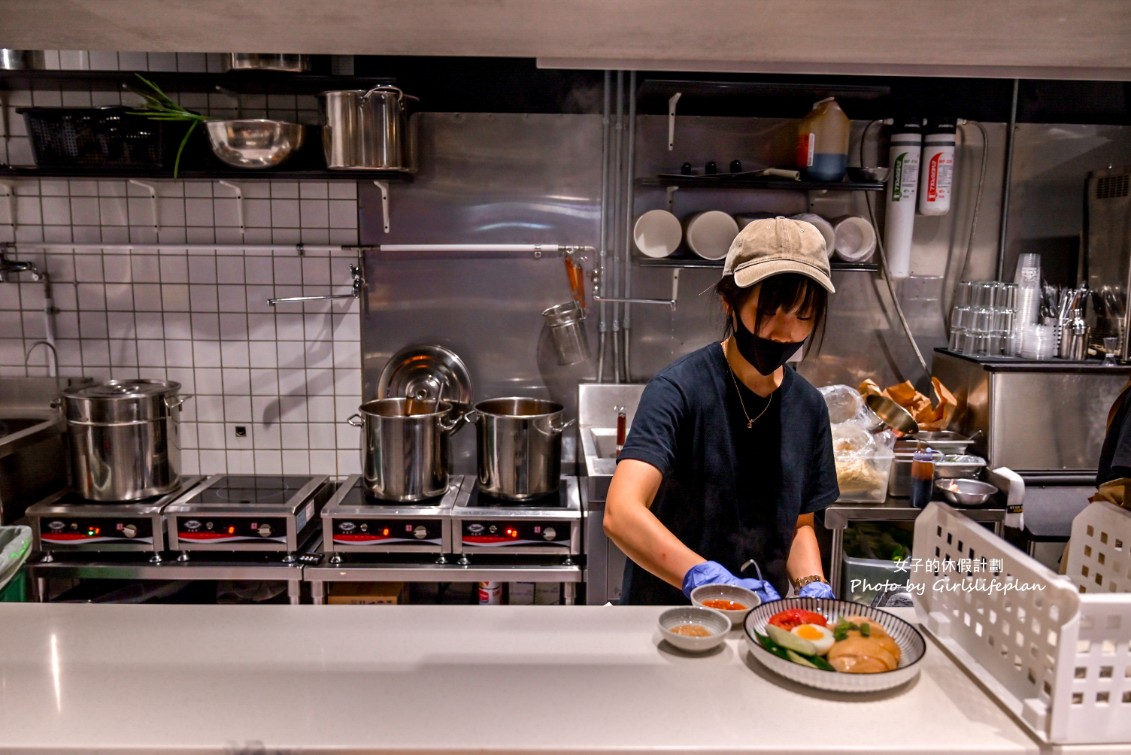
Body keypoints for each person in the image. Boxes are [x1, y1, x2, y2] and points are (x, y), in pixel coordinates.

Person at [603, 216, 840, 605]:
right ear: (730, 301)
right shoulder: (679, 390)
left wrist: (813, 585)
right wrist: (706, 579)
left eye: (802, 316)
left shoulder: (809, 408)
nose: (785, 332)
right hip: (668, 619)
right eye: (770, 311)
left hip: (759, 618)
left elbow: (800, 525)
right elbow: (621, 512)